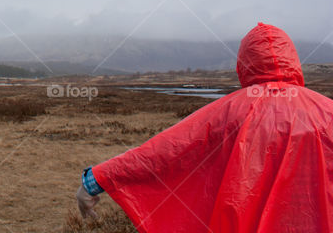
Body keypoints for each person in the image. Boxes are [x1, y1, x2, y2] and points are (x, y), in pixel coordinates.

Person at [76, 22, 333, 232]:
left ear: (244, 63)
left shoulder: (226, 113)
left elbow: (161, 153)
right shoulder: (327, 113)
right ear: (294, 59)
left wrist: (95, 181)